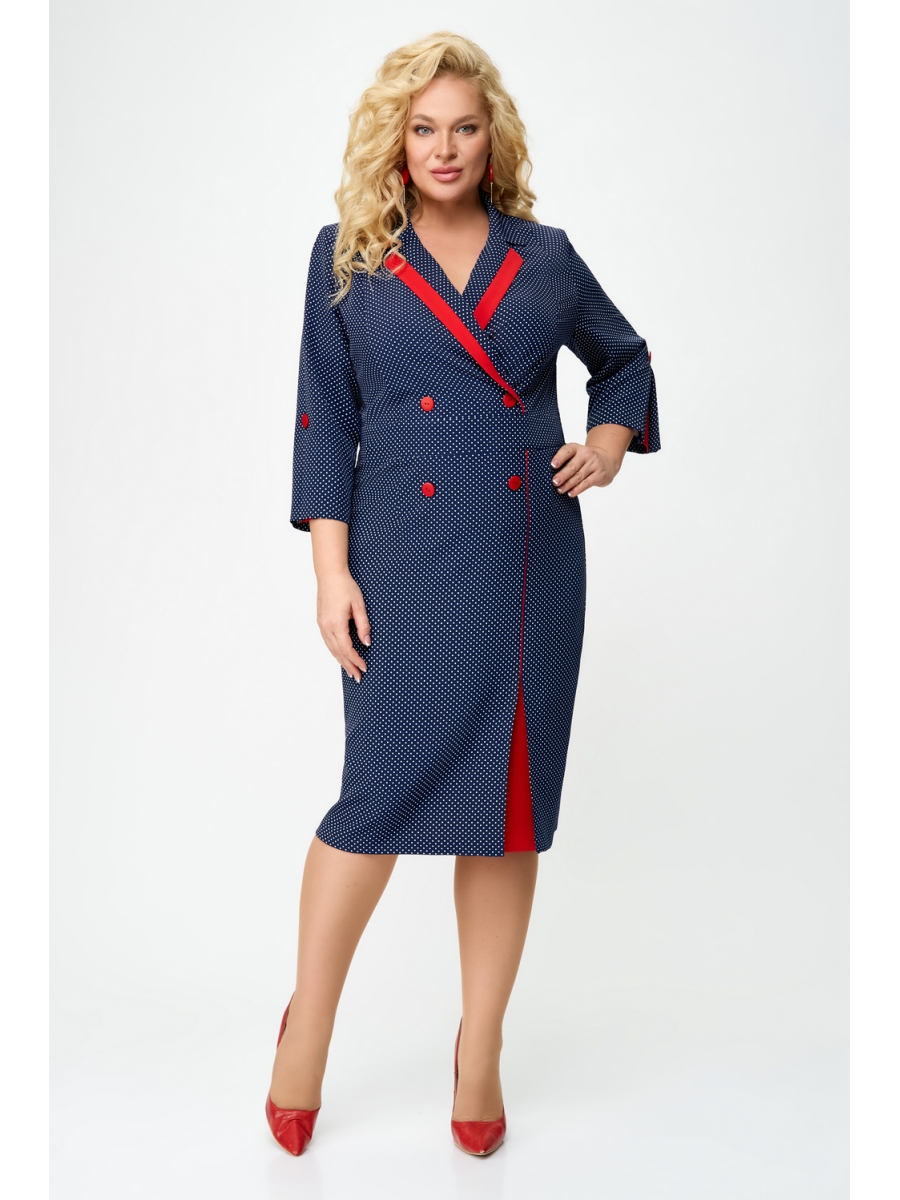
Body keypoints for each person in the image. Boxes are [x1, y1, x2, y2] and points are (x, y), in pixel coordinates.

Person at [267, 31, 660, 1158]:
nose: (444, 148)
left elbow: (625, 360)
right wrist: (330, 570)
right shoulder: (347, 257)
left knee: (506, 810)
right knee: (376, 799)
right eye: (424, 128)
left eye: (465, 128)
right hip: (399, 563)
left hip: (527, 564)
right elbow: (325, 419)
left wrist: (608, 441)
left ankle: (479, 1044)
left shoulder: (546, 257)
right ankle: (308, 1026)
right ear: (396, 141)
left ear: (495, 141)